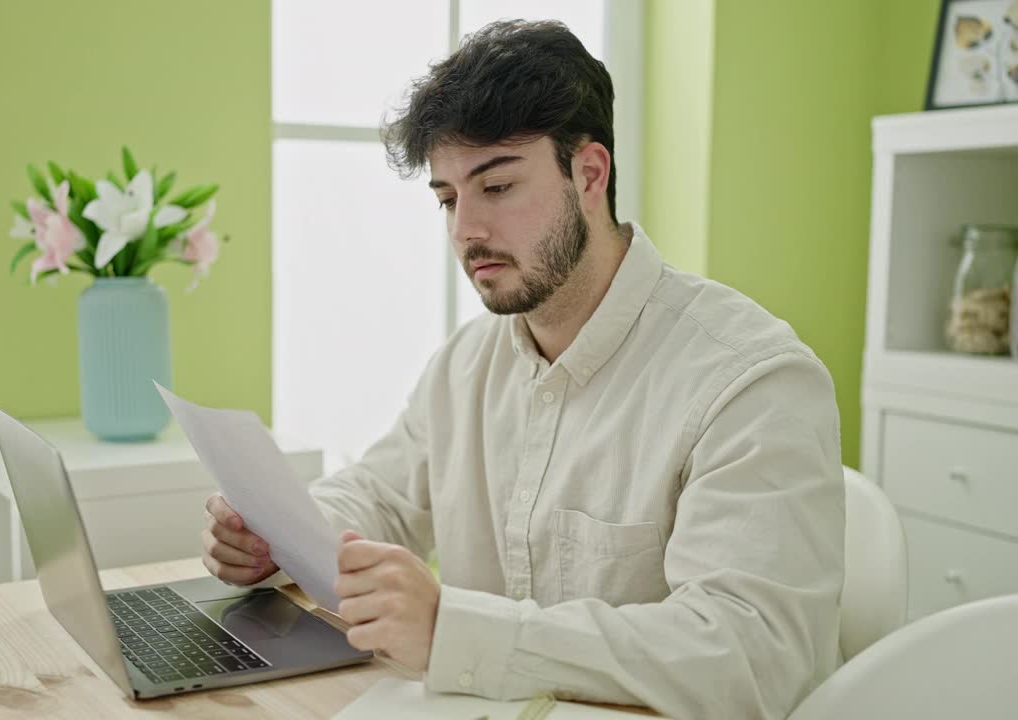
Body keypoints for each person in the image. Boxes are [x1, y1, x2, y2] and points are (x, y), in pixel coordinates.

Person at [200, 19, 844, 720]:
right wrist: (281, 540)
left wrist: (455, 630)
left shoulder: (749, 381)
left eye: (497, 187)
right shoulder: (467, 365)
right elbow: (379, 499)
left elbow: (749, 657)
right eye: (448, 199)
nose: (465, 231)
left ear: (589, 173)